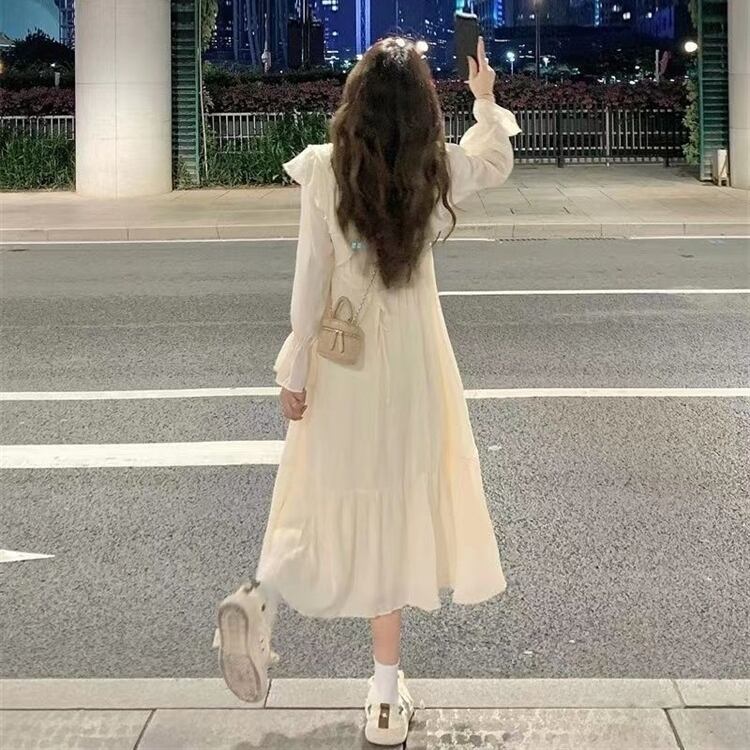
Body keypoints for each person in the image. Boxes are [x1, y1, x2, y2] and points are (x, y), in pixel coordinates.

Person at [217, 34, 520, 746]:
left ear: (354, 101)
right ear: (421, 108)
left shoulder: (326, 170)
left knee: (314, 488)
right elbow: (494, 162)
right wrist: (483, 98)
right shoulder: (432, 168)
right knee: (396, 508)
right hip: (412, 363)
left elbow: (309, 283)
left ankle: (260, 597)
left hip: (343, 361)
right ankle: (385, 699)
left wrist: (295, 369)